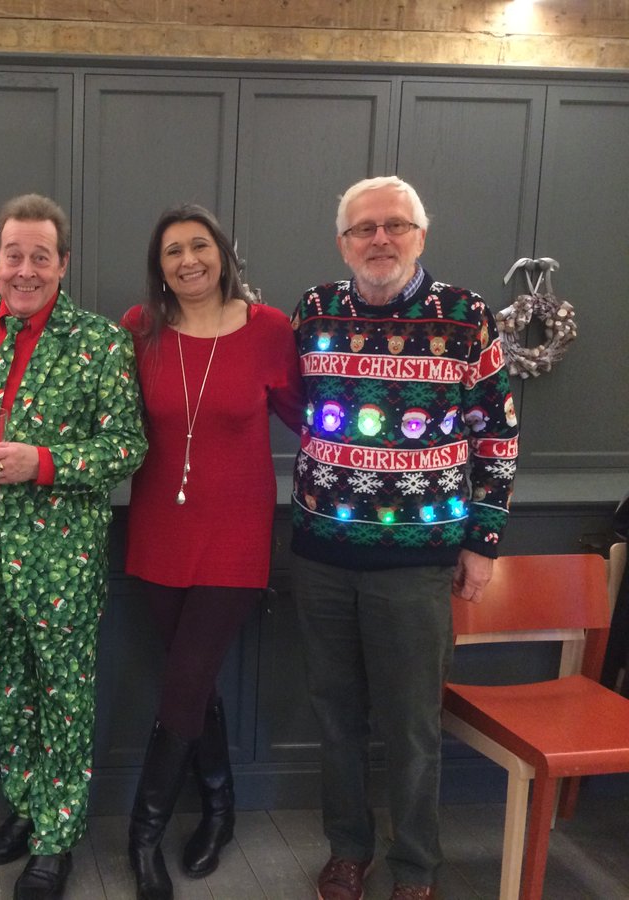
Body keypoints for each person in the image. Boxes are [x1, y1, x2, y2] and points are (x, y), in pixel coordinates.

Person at [289, 176, 519, 900]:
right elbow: (290, 404)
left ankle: (416, 866)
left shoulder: (466, 315)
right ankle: (348, 850)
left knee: (413, 726)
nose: (379, 240)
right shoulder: (313, 311)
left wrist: (483, 541)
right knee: (336, 719)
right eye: (365, 229)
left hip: (418, 566)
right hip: (321, 556)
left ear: (421, 235)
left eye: (395, 226)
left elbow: (499, 433)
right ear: (343, 243)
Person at [0, 193, 146, 900]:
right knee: (3, 690)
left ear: (63, 264)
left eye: (41, 257)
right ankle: (26, 809)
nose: (26, 269)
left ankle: (57, 840)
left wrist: (44, 462)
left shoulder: (101, 341)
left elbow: (127, 447)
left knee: (62, 696)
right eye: (13, 255)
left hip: (60, 557)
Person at [119, 204, 304, 899]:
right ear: (159, 266)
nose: (187, 260)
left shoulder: (270, 330)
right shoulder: (140, 330)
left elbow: (310, 417)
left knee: (185, 680)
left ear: (223, 254)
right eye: (173, 251)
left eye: (199, 246)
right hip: (158, 528)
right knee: (190, 683)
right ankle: (220, 808)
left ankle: (142, 837)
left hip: (235, 531)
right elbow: (106, 415)